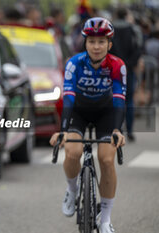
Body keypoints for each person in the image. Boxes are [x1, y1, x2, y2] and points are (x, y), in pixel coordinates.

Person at [50, 17, 126, 233]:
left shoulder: (117, 65)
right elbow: (69, 97)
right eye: (91, 41)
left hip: (106, 113)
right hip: (79, 111)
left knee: (106, 159)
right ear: (85, 43)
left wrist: (117, 130)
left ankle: (105, 219)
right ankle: (72, 190)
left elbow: (119, 98)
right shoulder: (74, 63)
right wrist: (64, 130)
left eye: (101, 41)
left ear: (109, 44)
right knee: (72, 152)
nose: (96, 46)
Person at [110, 7, 142, 142]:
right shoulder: (134, 29)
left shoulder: (110, 30)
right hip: (128, 70)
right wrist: (129, 65)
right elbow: (139, 48)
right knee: (128, 99)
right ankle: (129, 130)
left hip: (112, 69)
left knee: (114, 98)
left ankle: (116, 128)